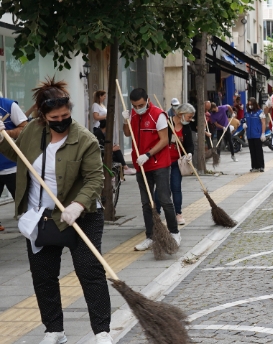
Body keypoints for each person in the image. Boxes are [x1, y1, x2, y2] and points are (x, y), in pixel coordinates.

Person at [0, 78, 112, 343]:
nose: (61, 120)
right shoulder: (32, 132)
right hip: (41, 216)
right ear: (42, 116)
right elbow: (18, 154)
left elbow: (95, 179)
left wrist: (77, 204)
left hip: (82, 216)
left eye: (65, 115)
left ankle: (102, 331)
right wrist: (1, 137)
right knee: (43, 274)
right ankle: (54, 330)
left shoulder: (84, 138)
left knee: (89, 272)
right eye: (55, 117)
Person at [123, 88, 180, 251]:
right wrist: (125, 121)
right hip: (141, 165)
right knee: (146, 203)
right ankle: (150, 236)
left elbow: (163, 140)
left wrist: (147, 154)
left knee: (164, 199)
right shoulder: (132, 114)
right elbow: (128, 134)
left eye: (140, 105)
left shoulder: (158, 115)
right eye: (134, 105)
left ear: (147, 101)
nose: (137, 108)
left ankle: (174, 232)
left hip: (159, 163)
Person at [153, 103, 195, 226]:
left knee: (176, 188)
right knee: (161, 188)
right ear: (181, 114)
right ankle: (156, 212)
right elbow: (158, 139)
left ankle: (178, 213)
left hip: (177, 162)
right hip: (164, 161)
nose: (190, 119)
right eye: (189, 116)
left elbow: (190, 144)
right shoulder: (167, 122)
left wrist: (189, 153)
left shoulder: (186, 127)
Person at [0, 94, 28, 231]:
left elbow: (25, 128)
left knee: (24, 202)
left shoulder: (8, 106)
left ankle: (32, 227)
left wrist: (7, 133)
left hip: (11, 166)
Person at [244, 97, 266, 172]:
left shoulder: (260, 112)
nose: (250, 106)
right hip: (250, 135)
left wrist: (263, 133)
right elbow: (246, 122)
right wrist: (245, 130)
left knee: (258, 151)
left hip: (257, 134)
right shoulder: (247, 113)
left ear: (254, 104)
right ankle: (254, 166)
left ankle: (261, 166)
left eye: (251, 104)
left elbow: (263, 123)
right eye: (249, 104)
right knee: (252, 151)